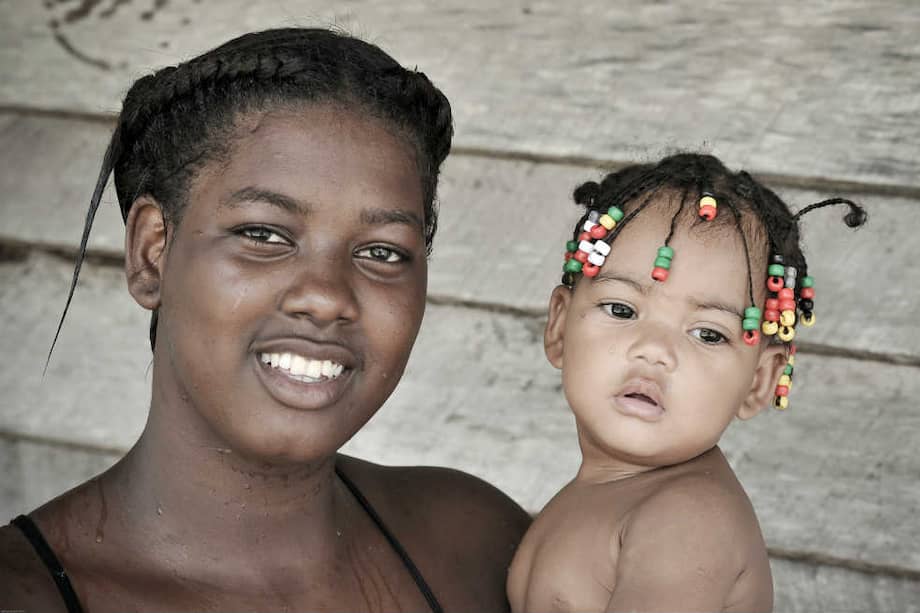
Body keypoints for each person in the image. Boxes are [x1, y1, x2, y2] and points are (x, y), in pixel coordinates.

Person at [0, 28, 531, 612]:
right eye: (263, 235)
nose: (326, 297)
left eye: (382, 251)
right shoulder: (23, 592)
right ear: (153, 252)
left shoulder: (474, 547)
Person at [506, 153, 866, 613]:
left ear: (759, 381)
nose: (655, 349)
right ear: (559, 327)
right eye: (621, 309)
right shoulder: (603, 495)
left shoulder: (690, 518)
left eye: (708, 334)